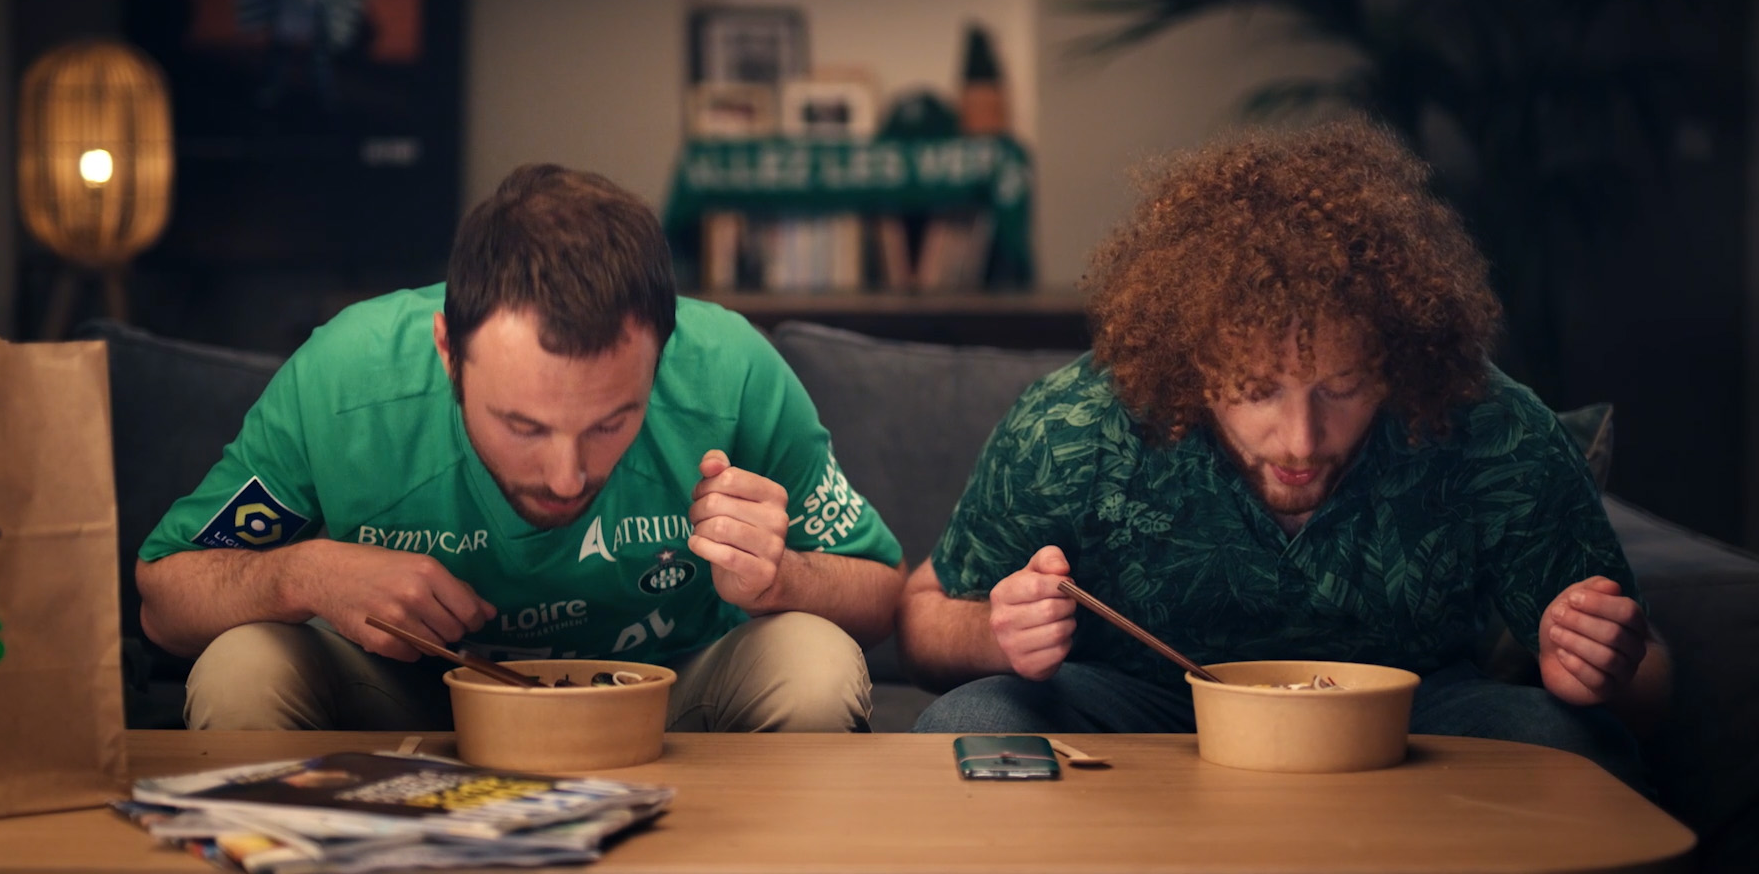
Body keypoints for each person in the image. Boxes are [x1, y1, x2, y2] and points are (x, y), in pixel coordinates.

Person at [896, 120, 1670, 787]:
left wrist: (1604, 671)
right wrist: (997, 634)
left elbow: (1651, 684)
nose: (1302, 440)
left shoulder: (1490, 424)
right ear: (1194, 366)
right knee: (966, 721)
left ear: (1398, 360)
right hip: (1142, 712)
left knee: (1574, 744)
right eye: (1258, 391)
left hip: (1410, 716)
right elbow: (922, 614)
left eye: (1343, 388)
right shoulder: (1076, 426)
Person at [137, 165, 904, 731]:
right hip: (410, 696)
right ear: (448, 351)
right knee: (242, 668)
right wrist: (303, 573)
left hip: (666, 697)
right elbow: (164, 602)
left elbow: (880, 595)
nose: (567, 478)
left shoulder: (730, 368)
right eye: (524, 427)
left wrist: (779, 576)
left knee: (815, 660)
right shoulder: (344, 377)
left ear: (663, 352)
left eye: (611, 422)